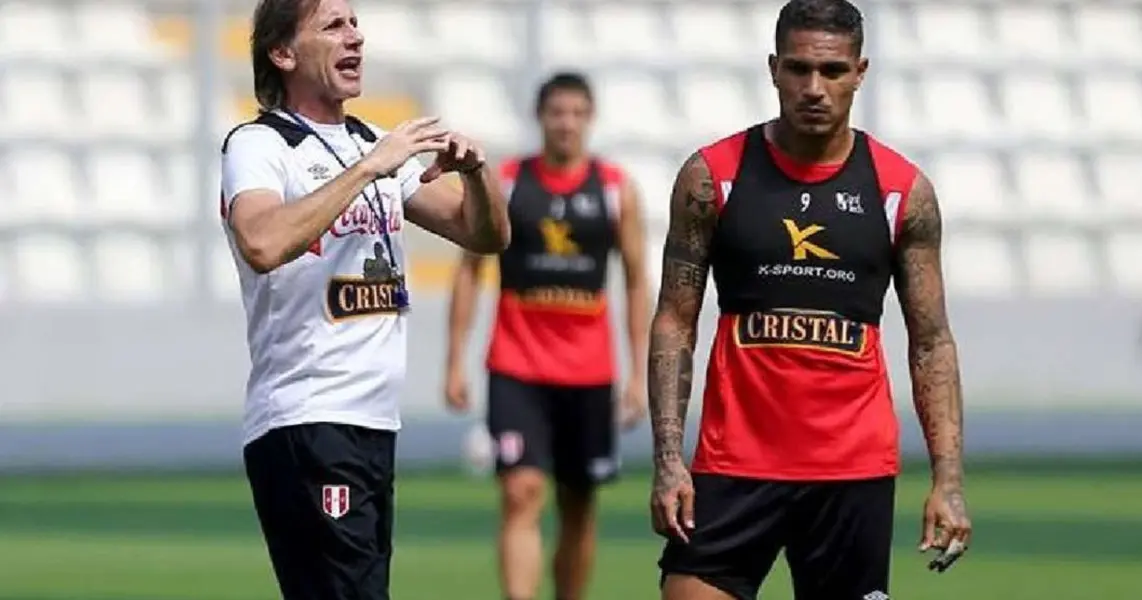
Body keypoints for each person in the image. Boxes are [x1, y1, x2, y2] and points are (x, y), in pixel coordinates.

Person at [646, 1, 972, 599]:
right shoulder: (712, 176)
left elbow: (931, 341)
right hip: (733, 463)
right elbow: (674, 322)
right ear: (773, 69)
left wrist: (947, 478)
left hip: (851, 471)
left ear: (860, 71)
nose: (814, 88)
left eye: (832, 70)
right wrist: (668, 459)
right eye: (798, 69)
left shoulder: (902, 191)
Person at [218, 0, 510, 599]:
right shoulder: (258, 143)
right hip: (307, 416)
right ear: (283, 53)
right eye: (333, 26)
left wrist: (477, 171)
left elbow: (485, 235)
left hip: (372, 422)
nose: (355, 38)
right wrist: (372, 168)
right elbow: (262, 240)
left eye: (355, 23)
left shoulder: (369, 140)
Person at [443, 72, 651, 600]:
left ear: (590, 118)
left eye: (578, 113)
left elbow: (635, 281)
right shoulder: (509, 183)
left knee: (579, 503)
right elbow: (470, 269)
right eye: (557, 112)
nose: (567, 123)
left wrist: (638, 373)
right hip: (517, 367)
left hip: (589, 373)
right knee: (521, 490)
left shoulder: (613, 190)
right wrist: (454, 361)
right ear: (541, 117)